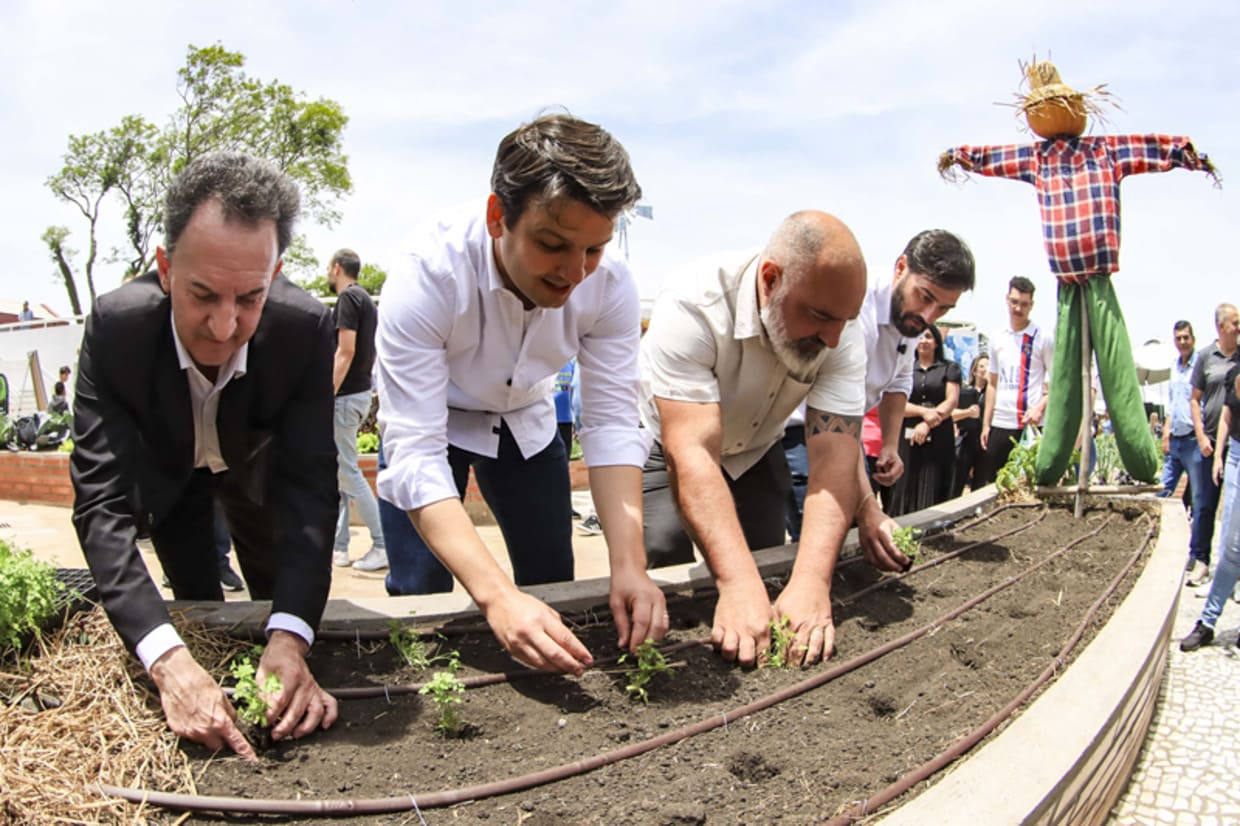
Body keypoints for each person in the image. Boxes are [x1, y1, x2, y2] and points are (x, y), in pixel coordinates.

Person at [70, 151, 339, 762]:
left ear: (275, 273)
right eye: (202, 295)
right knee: (194, 600)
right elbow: (100, 503)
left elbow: (311, 488)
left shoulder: (303, 328)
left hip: (255, 474)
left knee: (280, 598)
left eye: (249, 297)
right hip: (171, 480)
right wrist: (166, 660)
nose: (224, 328)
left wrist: (292, 636)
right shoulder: (118, 327)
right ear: (165, 268)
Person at [375, 114, 667, 675]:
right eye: (553, 245)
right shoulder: (428, 275)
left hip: (525, 422)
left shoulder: (610, 286)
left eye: (595, 250)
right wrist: (496, 597)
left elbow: (607, 427)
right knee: (421, 591)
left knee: (550, 576)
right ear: (497, 217)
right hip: (437, 422)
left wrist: (630, 565)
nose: (575, 272)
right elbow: (415, 450)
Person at [641, 209, 874, 669]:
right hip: (666, 441)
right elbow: (691, 451)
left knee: (766, 561)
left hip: (755, 449)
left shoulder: (840, 333)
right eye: (820, 316)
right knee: (668, 556)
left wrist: (812, 580)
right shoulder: (695, 303)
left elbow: (833, 461)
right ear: (770, 279)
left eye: (844, 321)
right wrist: (735, 582)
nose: (832, 338)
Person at [784, 229, 975, 557]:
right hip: (802, 428)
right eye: (925, 297)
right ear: (901, 267)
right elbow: (840, 411)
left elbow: (898, 383)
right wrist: (869, 505)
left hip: (846, 429)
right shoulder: (859, 308)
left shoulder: (911, 321)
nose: (929, 317)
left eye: (943, 309)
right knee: (820, 527)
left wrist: (889, 446)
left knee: (848, 529)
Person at [326, 248, 386, 571]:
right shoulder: (366, 300)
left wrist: (326, 394)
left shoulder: (348, 299)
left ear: (337, 269)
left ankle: (382, 543)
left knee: (348, 473)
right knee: (341, 474)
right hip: (359, 395)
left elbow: (345, 351)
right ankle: (340, 546)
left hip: (345, 398)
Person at [1179, 363, 1240, 652]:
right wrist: (1219, 456)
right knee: (1230, 544)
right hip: (1236, 455)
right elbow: (1227, 414)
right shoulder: (1234, 371)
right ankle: (1208, 621)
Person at [976, 276, 1054, 486]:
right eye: (1014, 302)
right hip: (1001, 421)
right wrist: (986, 424)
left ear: (1032, 305)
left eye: (1024, 304)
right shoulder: (997, 337)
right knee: (994, 482)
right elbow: (992, 383)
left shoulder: (1043, 337)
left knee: (1029, 482)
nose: (1018, 309)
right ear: (1007, 300)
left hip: (1031, 422)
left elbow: (1055, 383)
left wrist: (1040, 408)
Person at [1185, 304, 1240, 587]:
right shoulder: (1206, 357)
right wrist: (1202, 436)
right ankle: (1202, 562)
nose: (1239, 327)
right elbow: (1195, 399)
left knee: (1235, 511)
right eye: (1235, 323)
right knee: (1205, 505)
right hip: (1209, 443)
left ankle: (1233, 572)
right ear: (1221, 326)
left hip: (1236, 445)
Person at [887, 326, 961, 515]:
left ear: (936, 342)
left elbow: (951, 401)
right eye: (919, 337)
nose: (923, 341)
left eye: (928, 337)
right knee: (907, 480)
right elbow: (897, 404)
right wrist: (922, 412)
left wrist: (927, 423)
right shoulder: (905, 368)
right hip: (907, 432)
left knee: (935, 478)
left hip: (939, 432)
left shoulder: (949, 368)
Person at [1159, 321, 1197, 512]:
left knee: (1198, 495)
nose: (1182, 342)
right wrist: (1166, 432)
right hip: (1175, 440)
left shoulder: (1200, 365)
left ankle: (1195, 538)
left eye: (1186, 338)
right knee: (1162, 489)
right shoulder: (1174, 367)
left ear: (1193, 339)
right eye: (1178, 338)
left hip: (1194, 439)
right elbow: (1172, 404)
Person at [952, 354, 988, 496]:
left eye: (988, 366)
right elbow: (951, 414)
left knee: (981, 480)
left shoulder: (992, 393)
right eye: (982, 366)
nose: (985, 369)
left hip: (985, 439)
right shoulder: (964, 391)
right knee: (958, 478)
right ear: (974, 370)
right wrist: (967, 412)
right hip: (966, 437)